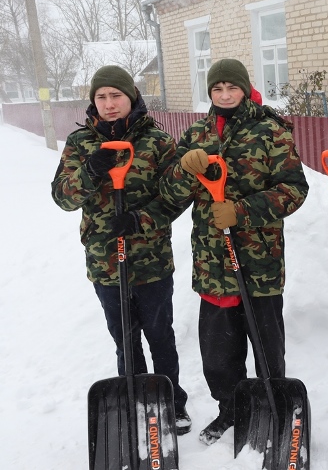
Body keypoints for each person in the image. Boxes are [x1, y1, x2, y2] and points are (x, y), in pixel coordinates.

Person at [159, 58, 308, 445]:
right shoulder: (196, 134)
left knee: (266, 344)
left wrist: (241, 211)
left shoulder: (270, 131)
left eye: (232, 88)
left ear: (244, 88)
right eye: (217, 89)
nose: (225, 95)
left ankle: (273, 404)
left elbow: (294, 189)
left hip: (259, 260)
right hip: (213, 263)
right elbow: (170, 196)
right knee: (218, 351)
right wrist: (183, 171)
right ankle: (231, 407)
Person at [51, 65, 192, 434]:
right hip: (105, 262)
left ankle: (171, 403)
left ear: (131, 97)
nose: (109, 103)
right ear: (93, 101)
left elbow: (177, 196)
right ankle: (135, 400)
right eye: (101, 97)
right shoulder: (80, 143)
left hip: (151, 261)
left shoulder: (158, 141)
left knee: (160, 336)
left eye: (116, 95)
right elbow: (63, 197)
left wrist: (141, 219)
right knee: (125, 340)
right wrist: (90, 171)